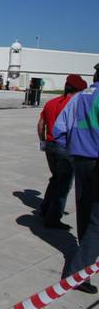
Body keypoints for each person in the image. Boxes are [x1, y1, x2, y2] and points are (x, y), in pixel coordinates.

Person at [54, 64, 99, 294]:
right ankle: (78, 273)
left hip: (80, 160)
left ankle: (85, 254)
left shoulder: (79, 98)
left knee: (84, 209)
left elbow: (59, 129)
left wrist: (72, 151)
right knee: (97, 223)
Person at [38, 75, 88, 229]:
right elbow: (80, 127)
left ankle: (45, 208)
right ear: (78, 90)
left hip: (49, 145)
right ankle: (53, 218)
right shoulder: (76, 105)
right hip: (65, 148)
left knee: (55, 178)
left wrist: (43, 141)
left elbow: (41, 124)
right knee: (64, 184)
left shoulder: (51, 103)